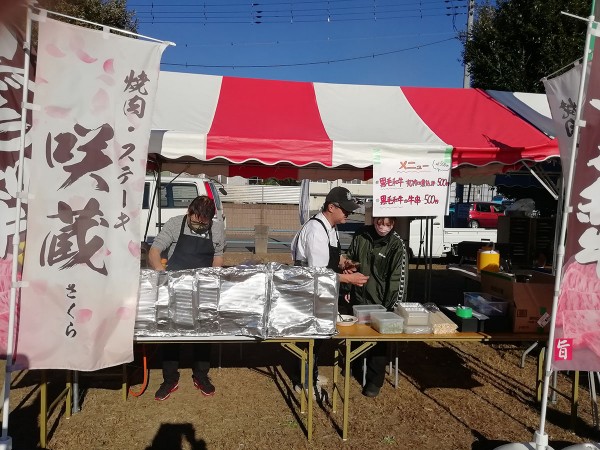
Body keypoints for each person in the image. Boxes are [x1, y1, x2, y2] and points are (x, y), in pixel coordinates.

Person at [291, 186, 369, 400]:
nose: (349, 214)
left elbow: (331, 258)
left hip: (322, 291)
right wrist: (349, 279)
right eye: (346, 210)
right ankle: (305, 383)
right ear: (331, 207)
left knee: (319, 337)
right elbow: (318, 273)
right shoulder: (316, 230)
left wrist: (344, 263)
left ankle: (311, 375)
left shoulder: (330, 227)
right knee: (310, 338)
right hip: (310, 292)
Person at [148, 195, 225, 401]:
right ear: (189, 212)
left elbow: (218, 254)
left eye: (204, 223)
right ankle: (170, 379)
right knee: (171, 334)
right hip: (175, 287)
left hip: (202, 288)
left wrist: (213, 277)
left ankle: (201, 375)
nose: (200, 226)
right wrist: (159, 270)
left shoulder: (217, 229)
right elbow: (155, 250)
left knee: (202, 334)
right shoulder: (175, 224)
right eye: (196, 221)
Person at [345, 216, 409, 397]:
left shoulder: (397, 245)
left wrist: (391, 308)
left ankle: (374, 380)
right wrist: (346, 287)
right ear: (374, 221)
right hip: (359, 296)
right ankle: (354, 365)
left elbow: (398, 280)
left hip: (381, 303)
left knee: (378, 343)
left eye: (388, 224)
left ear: (393, 224)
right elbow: (350, 260)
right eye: (380, 223)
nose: (383, 228)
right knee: (355, 334)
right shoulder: (361, 235)